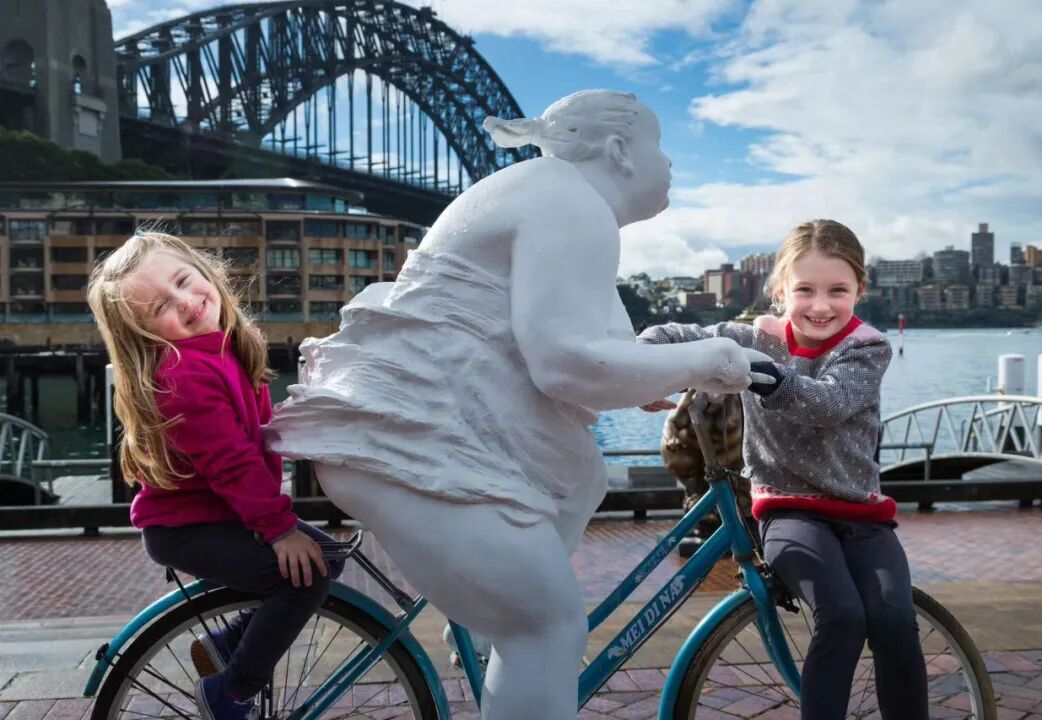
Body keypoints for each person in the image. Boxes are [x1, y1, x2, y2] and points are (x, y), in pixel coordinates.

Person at [264, 90, 772, 720]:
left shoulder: (553, 195)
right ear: (618, 150)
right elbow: (563, 364)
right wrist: (709, 359)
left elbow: (595, 355)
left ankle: (487, 633)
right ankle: (505, 636)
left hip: (421, 440)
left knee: (581, 483)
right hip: (410, 449)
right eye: (659, 145)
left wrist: (647, 377)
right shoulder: (569, 202)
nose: (668, 163)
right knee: (548, 628)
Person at [638, 219, 929, 720]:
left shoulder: (867, 348)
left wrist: (766, 377)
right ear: (779, 291)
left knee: (893, 618)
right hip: (789, 511)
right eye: (805, 290)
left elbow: (830, 403)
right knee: (842, 615)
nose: (821, 305)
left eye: (838, 290)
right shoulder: (756, 338)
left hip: (863, 515)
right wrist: (642, 365)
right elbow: (676, 335)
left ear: (860, 290)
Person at [87, 231, 343, 720]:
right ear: (144, 333)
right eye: (161, 306)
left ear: (206, 272)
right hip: (188, 528)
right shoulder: (183, 377)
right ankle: (230, 694)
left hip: (218, 512)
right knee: (306, 579)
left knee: (327, 557)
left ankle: (228, 644)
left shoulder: (220, 347)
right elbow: (234, 465)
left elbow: (253, 432)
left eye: (184, 281)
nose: (185, 301)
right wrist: (280, 530)